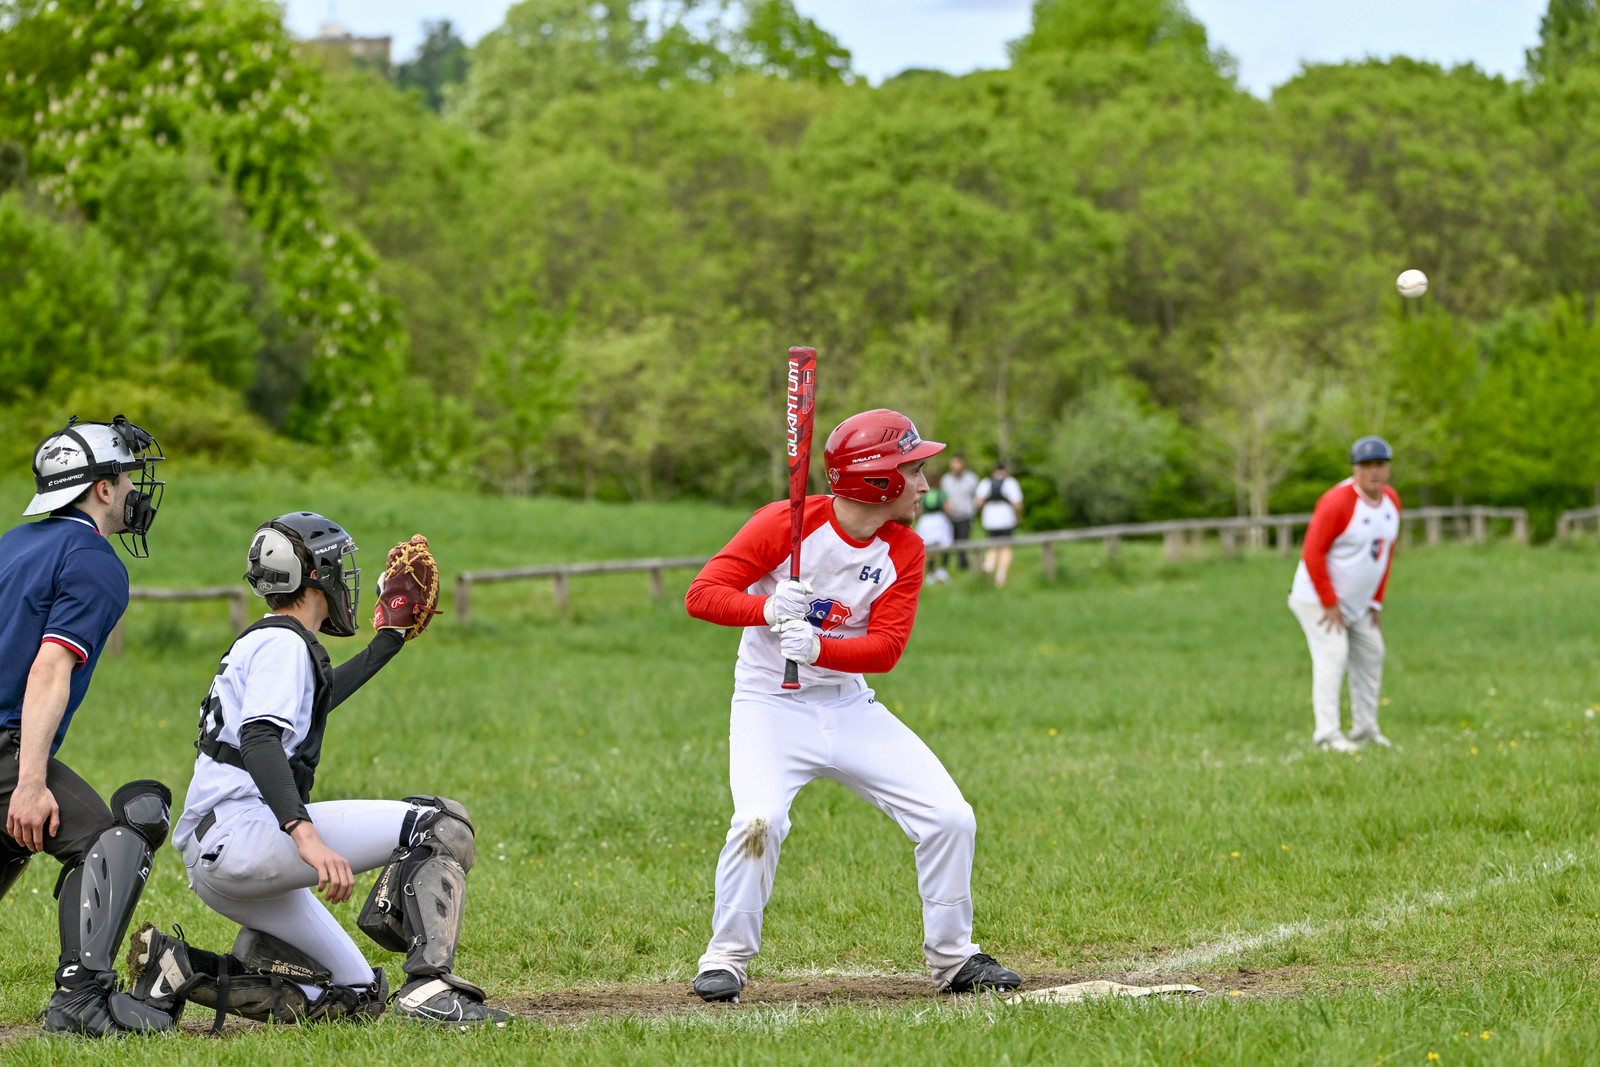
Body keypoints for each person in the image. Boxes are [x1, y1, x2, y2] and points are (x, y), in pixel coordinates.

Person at [683, 408, 1021, 1004]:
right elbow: (702, 595)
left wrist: (820, 646)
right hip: (769, 704)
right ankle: (726, 959)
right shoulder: (782, 524)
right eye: (913, 471)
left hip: (849, 706)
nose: (924, 484)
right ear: (877, 481)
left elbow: (886, 649)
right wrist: (765, 609)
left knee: (950, 818)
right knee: (758, 821)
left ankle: (954, 959)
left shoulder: (905, 549)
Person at [124, 515, 511, 1028]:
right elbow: (259, 739)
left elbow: (311, 708)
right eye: (338, 562)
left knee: (355, 998)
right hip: (247, 836)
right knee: (441, 824)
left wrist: (387, 643)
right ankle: (430, 987)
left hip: (219, 854)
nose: (345, 576)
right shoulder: (284, 645)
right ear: (315, 573)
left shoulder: (271, 641)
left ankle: (178, 969)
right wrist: (304, 834)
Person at [0, 416, 178, 1036]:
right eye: (127, 476)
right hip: (3, 748)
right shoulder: (93, 559)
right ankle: (80, 1000)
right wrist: (27, 781)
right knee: (109, 837)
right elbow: (49, 670)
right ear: (101, 488)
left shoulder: (10, 543)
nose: (134, 489)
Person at [1288, 436, 1401, 753]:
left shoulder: (1391, 501)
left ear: (1388, 468)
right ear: (1355, 469)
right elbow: (1312, 553)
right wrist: (1329, 603)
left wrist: (1375, 600)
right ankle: (1327, 736)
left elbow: (1383, 554)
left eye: (1380, 465)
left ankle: (1366, 730)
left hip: (1357, 604)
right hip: (1316, 599)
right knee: (1333, 655)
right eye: (1366, 466)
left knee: (1372, 652)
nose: (1373, 472)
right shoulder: (1337, 502)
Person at [975, 464, 1024, 587]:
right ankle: (1001, 575)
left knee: (993, 545)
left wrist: (982, 513)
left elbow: (978, 502)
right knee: (1006, 547)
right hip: (1006, 518)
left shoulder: (986, 482)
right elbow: (1017, 503)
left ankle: (989, 564)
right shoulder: (1011, 482)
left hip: (990, 519)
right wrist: (1018, 515)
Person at [939, 455, 979, 571]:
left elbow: (977, 496)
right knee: (947, 542)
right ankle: (943, 567)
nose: (955, 467)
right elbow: (943, 496)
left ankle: (963, 567)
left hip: (965, 516)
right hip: (950, 517)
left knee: (963, 541)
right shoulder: (946, 479)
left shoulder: (971, 478)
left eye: (958, 464)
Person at [917, 484, 954, 583]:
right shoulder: (941, 493)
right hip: (939, 520)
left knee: (930, 549)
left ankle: (930, 573)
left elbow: (919, 510)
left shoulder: (924, 494)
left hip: (926, 521)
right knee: (945, 545)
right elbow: (948, 508)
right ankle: (942, 570)